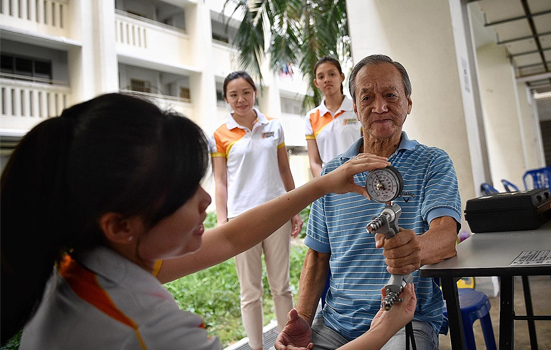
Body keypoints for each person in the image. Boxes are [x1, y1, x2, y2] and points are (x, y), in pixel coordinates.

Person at [0, 92, 411, 349]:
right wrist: (382, 331)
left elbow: (230, 239)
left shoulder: (89, 263)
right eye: (183, 193)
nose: (205, 200)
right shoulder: (148, 329)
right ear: (121, 225)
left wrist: (320, 186)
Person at [275, 54, 462, 350]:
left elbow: (445, 236)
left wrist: (414, 249)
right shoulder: (332, 174)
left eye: (390, 95)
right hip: (336, 323)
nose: (380, 107)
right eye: (367, 97)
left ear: (408, 103)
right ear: (355, 107)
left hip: (405, 320)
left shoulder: (432, 162)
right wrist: (304, 319)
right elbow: (317, 256)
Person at [211, 71, 303, 350]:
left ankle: (286, 342)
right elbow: (220, 181)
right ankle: (256, 347)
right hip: (241, 219)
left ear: (254, 93)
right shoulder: (220, 134)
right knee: (250, 292)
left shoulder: (274, 126)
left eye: (246, 92)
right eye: (234, 94)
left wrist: (294, 207)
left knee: (282, 287)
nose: (241, 99)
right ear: (226, 98)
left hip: (276, 214)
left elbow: (284, 168)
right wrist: (222, 219)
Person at [305, 57, 362, 177]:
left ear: (342, 77)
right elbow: (314, 161)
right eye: (321, 77)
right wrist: (323, 185)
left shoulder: (358, 109)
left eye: (331, 74)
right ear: (316, 83)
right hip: (329, 183)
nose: (326, 80)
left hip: (359, 179)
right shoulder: (311, 117)